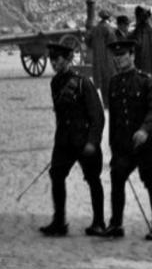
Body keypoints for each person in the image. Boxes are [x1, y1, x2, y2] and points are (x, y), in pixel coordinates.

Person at [38, 40, 106, 237]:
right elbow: (60, 115)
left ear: (68, 60)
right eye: (51, 59)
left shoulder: (84, 83)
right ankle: (59, 222)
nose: (53, 63)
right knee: (56, 175)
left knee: (93, 180)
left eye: (57, 59)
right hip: (64, 142)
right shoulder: (55, 82)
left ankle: (99, 222)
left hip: (84, 140)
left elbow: (97, 116)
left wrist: (93, 142)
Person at [102, 38, 152, 240]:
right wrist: (113, 147)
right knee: (117, 178)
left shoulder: (147, 81)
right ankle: (116, 224)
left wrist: (144, 130)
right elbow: (114, 119)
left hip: (148, 145)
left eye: (123, 55)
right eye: (116, 56)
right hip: (125, 146)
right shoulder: (113, 83)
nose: (118, 59)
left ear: (132, 56)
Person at [88, 10, 118, 108]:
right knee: (109, 79)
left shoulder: (95, 29)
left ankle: (105, 102)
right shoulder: (109, 29)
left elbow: (88, 41)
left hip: (97, 58)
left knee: (101, 80)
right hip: (107, 57)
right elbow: (114, 44)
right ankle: (109, 102)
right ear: (108, 18)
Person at [132, 6, 152, 80]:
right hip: (151, 59)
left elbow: (138, 43)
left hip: (142, 60)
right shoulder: (150, 29)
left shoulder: (139, 30)